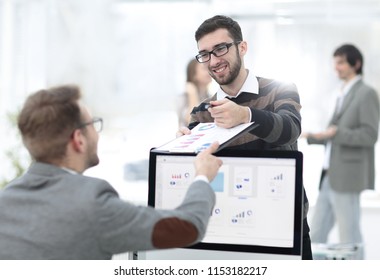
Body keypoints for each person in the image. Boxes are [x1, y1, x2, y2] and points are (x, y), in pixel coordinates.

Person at [0, 85, 223, 260]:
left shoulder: (5, 201)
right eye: (92, 124)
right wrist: (202, 176)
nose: (96, 133)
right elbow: (188, 227)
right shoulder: (92, 203)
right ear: (78, 140)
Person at [177, 15, 313, 259]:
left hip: (285, 227)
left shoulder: (280, 89)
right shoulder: (201, 112)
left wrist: (246, 115)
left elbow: (290, 129)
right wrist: (183, 146)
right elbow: (200, 172)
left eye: (220, 49)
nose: (213, 60)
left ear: (242, 47)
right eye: (205, 54)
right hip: (228, 232)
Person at [303, 44, 380, 259]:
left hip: (347, 176)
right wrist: (312, 136)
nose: (335, 67)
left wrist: (337, 132)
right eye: (334, 62)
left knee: (349, 237)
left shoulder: (366, 93)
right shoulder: (341, 94)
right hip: (329, 175)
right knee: (315, 233)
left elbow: (369, 135)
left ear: (356, 64)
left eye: (341, 62)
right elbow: (333, 134)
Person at [177, 58, 212, 127]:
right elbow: (191, 122)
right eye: (204, 69)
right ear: (194, 75)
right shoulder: (183, 98)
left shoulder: (210, 97)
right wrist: (192, 95)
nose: (209, 71)